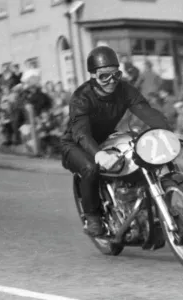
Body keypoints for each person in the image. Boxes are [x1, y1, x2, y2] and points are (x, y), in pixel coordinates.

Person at [60, 46, 172, 237]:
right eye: (105, 76)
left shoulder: (125, 90)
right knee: (90, 168)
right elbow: (81, 133)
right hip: (76, 143)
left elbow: (146, 112)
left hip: (104, 138)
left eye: (116, 74)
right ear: (94, 75)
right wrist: (99, 154)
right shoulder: (81, 97)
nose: (112, 81)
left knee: (138, 156)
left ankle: (148, 212)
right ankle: (92, 217)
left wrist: (167, 132)